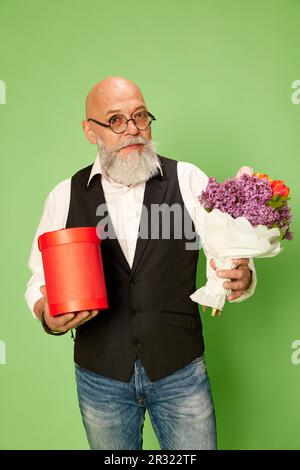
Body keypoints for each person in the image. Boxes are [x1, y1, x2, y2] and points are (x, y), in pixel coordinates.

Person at [25, 76, 256, 450]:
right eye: (116, 120)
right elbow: (39, 278)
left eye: (140, 116)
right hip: (100, 376)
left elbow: (229, 255)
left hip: (180, 371)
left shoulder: (188, 178)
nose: (133, 130)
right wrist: (46, 314)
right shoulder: (65, 194)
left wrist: (243, 278)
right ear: (90, 131)